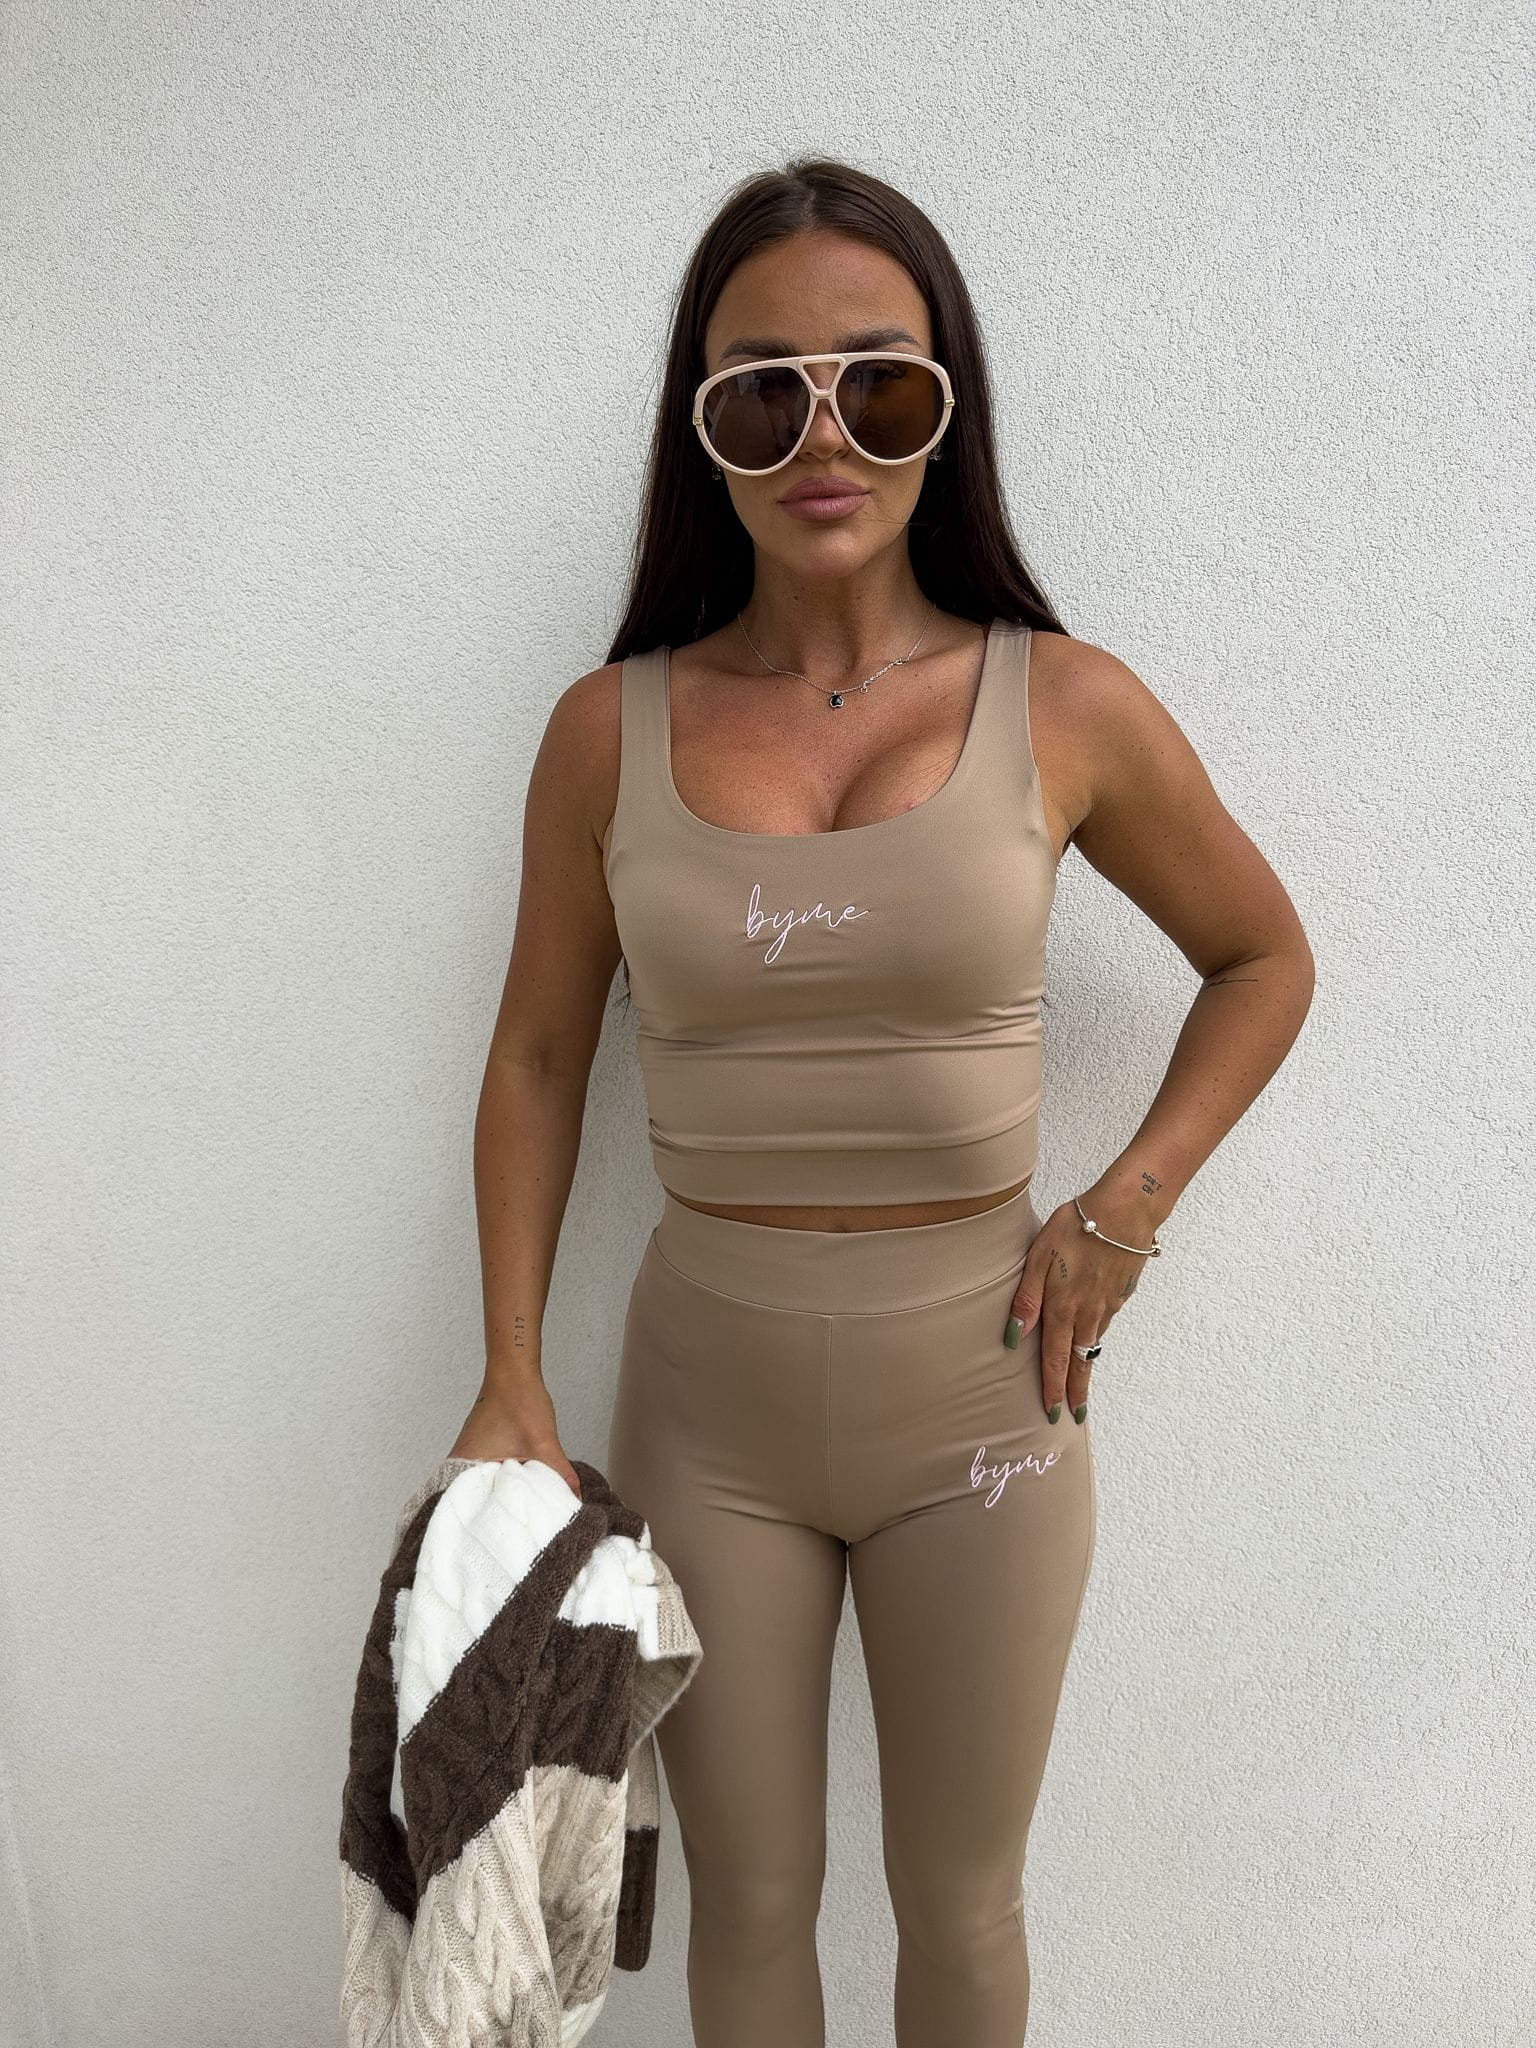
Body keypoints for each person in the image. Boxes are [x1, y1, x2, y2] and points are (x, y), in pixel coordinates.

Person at [448, 157, 1315, 2048]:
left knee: (963, 1901)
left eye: (880, 383)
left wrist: (1125, 1210)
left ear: (948, 409)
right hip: (709, 1405)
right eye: (764, 392)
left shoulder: (1066, 705)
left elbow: (1263, 958)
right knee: (748, 1902)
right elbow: (536, 1056)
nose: (823, 434)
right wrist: (510, 1375)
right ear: (705, 432)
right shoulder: (608, 731)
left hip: (982, 1398)